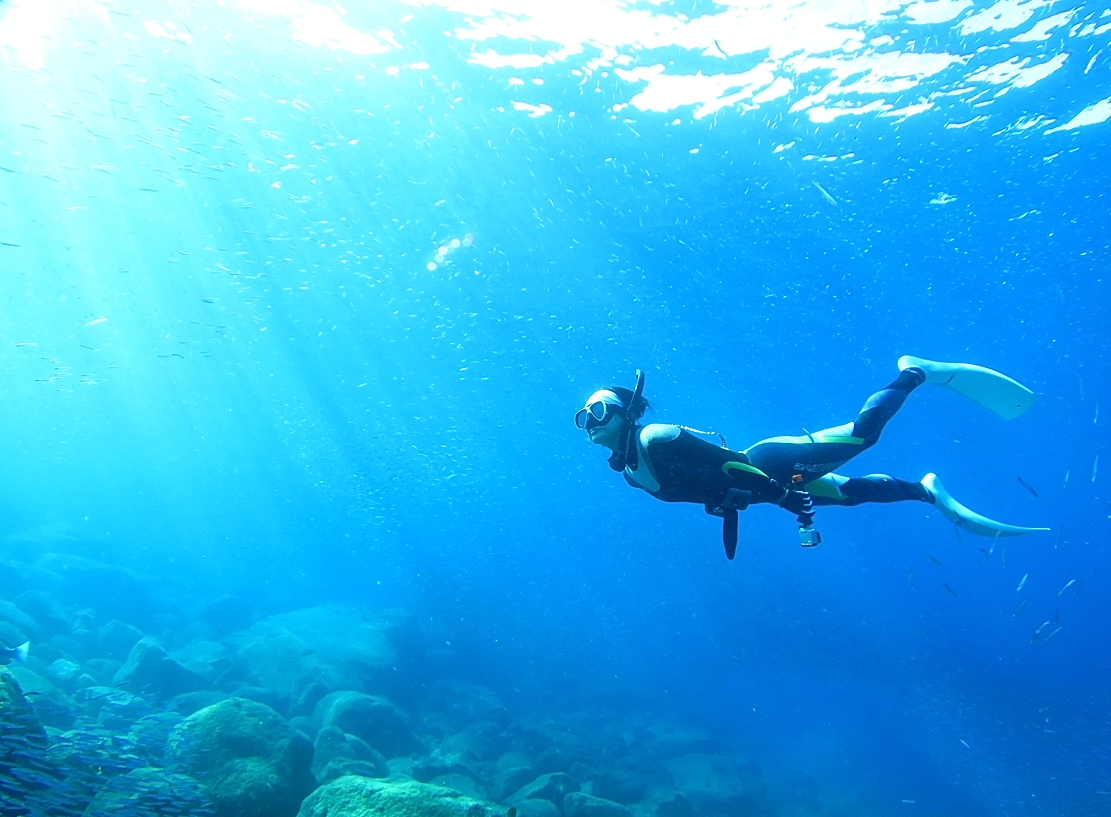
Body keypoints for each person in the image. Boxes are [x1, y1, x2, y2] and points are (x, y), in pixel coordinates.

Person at [575, 356, 1049, 559]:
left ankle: (916, 373)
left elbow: (729, 465)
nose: (589, 421)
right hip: (766, 486)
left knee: (862, 438)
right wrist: (757, 501)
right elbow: (708, 487)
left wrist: (780, 495)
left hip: (770, 465)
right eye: (583, 417)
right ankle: (925, 491)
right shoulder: (633, 475)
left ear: (627, 412)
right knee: (843, 495)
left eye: (597, 411)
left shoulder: (655, 436)